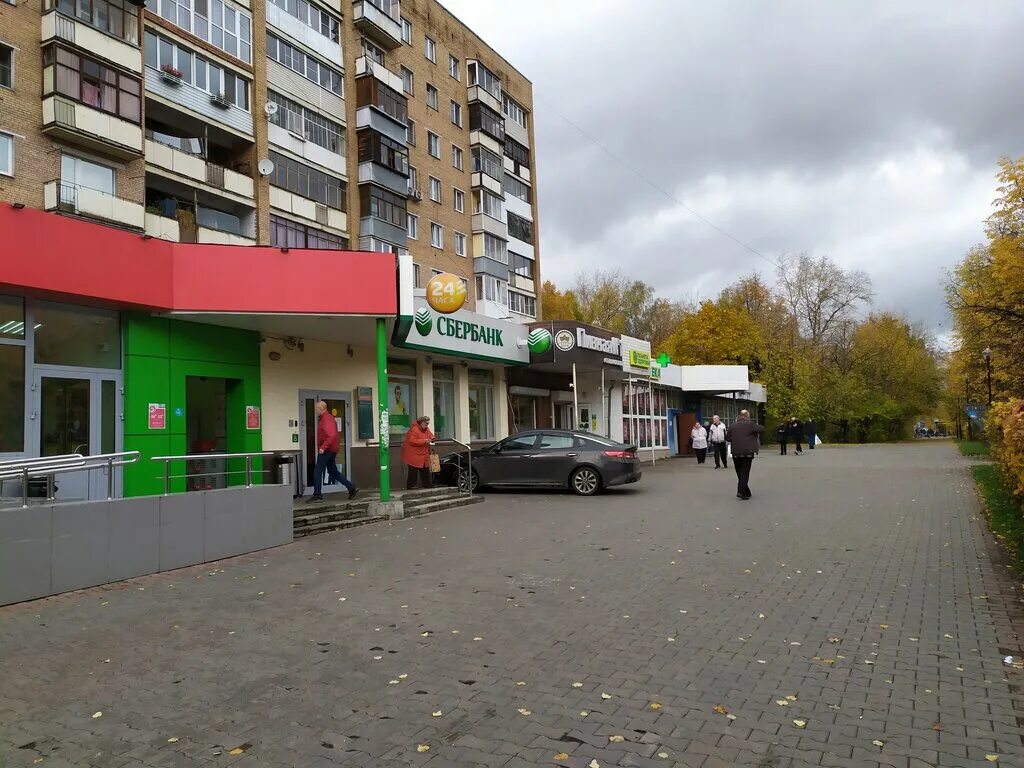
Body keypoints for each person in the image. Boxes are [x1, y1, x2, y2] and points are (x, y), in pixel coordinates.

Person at [308, 400, 357, 502]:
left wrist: (323, 447)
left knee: (317, 471)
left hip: (327, 450)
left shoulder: (326, 419)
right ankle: (351, 488)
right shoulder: (327, 418)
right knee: (332, 471)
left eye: (316, 408)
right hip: (330, 449)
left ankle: (317, 494)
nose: (315, 410)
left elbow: (331, 435)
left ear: (321, 408)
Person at [729, 410, 765, 500]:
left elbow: (728, 438)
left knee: (739, 472)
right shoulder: (750, 424)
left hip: (736, 452)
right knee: (744, 472)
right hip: (747, 452)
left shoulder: (732, 425)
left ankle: (746, 492)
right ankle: (741, 491)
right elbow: (762, 429)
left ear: (739, 416)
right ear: (747, 416)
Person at [401, 415, 435, 489]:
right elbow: (412, 441)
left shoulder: (426, 429)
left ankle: (427, 484)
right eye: (426, 423)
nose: (427, 425)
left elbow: (430, 435)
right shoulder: (414, 429)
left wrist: (432, 438)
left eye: (428, 423)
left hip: (422, 454)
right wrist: (425, 441)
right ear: (421, 422)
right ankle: (411, 485)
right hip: (413, 454)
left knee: (425, 470)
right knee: (413, 471)